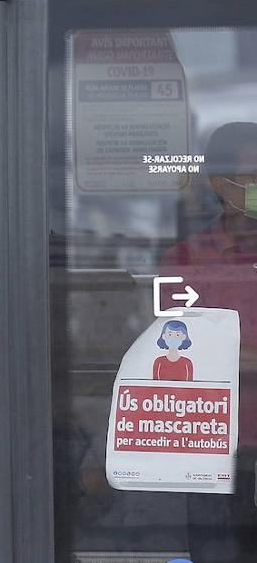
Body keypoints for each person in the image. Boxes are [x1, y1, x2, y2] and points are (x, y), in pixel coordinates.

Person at [160, 121, 257, 561]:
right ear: (221, 184)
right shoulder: (185, 261)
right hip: (214, 450)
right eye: (253, 177)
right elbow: (176, 355)